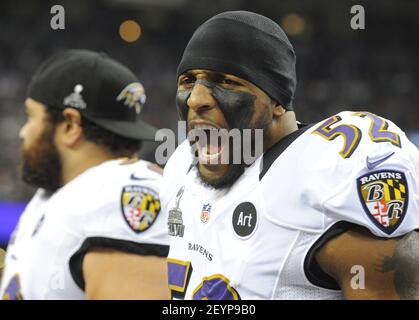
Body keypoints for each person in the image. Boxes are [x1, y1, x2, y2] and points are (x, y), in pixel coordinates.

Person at [160, 11, 419, 300]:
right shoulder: (181, 166)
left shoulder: (324, 171)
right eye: (187, 80)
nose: (196, 99)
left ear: (278, 101)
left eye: (226, 82)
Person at [0, 49, 170, 300]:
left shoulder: (119, 196)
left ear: (70, 125)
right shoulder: (60, 194)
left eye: (30, 116)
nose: (24, 131)